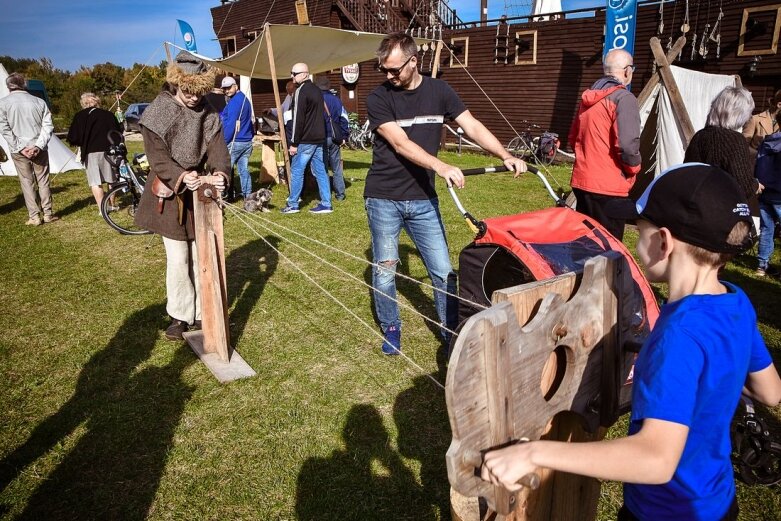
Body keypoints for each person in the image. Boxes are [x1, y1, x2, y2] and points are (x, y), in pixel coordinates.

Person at [479, 163, 781, 521]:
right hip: (717, 502)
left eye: (639, 231)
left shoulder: (676, 337)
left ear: (663, 242)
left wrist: (532, 455)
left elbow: (655, 460)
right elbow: (770, 392)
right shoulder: (736, 301)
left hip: (663, 512)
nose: (635, 244)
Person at [366, 32, 526, 355]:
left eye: (395, 70)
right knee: (385, 269)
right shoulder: (378, 98)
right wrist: (440, 166)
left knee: (442, 271)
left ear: (414, 62)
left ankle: (451, 333)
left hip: (423, 198)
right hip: (383, 197)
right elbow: (400, 143)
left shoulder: (440, 91)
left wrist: (504, 155)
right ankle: (392, 326)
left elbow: (472, 126)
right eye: (384, 69)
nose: (389, 76)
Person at [134, 51, 230, 340]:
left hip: (201, 194)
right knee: (178, 259)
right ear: (176, 85)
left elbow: (218, 149)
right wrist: (180, 175)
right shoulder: (158, 110)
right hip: (169, 193)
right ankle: (179, 316)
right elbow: (157, 157)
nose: (193, 98)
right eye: (188, 91)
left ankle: (204, 312)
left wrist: (220, 174)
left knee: (202, 254)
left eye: (199, 92)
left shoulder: (209, 110)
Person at [568, 49, 640, 241]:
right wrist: (633, 169)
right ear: (627, 71)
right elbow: (627, 145)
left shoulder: (588, 99)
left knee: (587, 240)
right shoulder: (624, 98)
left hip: (583, 183)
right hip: (608, 188)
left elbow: (573, 137)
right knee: (609, 248)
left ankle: (583, 272)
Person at [684, 86, 760, 227]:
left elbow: (687, 174)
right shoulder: (735, 140)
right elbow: (743, 187)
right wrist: (755, 185)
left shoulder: (699, 136)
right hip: (721, 216)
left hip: (695, 211)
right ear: (739, 113)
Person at [0, 72, 57, 226]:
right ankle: (48, 213)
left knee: (27, 182)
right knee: (43, 181)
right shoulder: (39, 102)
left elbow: (4, 129)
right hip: (38, 147)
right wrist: (38, 145)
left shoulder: (3, 103)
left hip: (19, 150)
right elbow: (48, 126)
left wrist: (21, 147)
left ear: (9, 86)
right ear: (24, 84)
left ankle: (34, 216)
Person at [281, 63, 332, 215]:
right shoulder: (317, 90)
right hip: (319, 138)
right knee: (321, 171)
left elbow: (298, 119)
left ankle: (293, 204)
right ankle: (326, 203)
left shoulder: (300, 91)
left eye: (294, 73)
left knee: (297, 170)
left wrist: (294, 143)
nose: (292, 76)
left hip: (306, 139)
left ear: (304, 74)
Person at [67, 92, 122, 210]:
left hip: (90, 152)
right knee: (111, 178)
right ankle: (112, 204)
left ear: (84, 103)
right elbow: (118, 132)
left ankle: (103, 209)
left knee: (95, 181)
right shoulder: (108, 115)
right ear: (97, 102)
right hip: (109, 149)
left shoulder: (79, 116)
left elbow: (73, 137)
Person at [220, 76, 255, 206]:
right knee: (244, 170)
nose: (226, 91)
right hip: (246, 141)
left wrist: (224, 141)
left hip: (236, 141)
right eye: (224, 89)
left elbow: (230, 125)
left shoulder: (234, 102)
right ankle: (248, 196)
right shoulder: (245, 100)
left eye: (229, 87)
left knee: (225, 170)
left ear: (236, 86)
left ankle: (223, 196)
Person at [754, 111, 781, 277]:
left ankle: (761, 266)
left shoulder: (767, 141)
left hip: (765, 191)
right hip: (779, 192)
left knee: (766, 229)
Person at [314, 74, 349, 201]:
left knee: (322, 168)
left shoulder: (315, 100)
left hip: (320, 138)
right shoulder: (337, 100)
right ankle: (340, 194)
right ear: (328, 86)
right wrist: (344, 135)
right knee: (336, 168)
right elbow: (344, 119)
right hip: (334, 137)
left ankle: (325, 195)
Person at [743, 89, 781, 154]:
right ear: (779, 105)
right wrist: (759, 155)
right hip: (757, 162)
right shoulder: (755, 119)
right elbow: (743, 146)